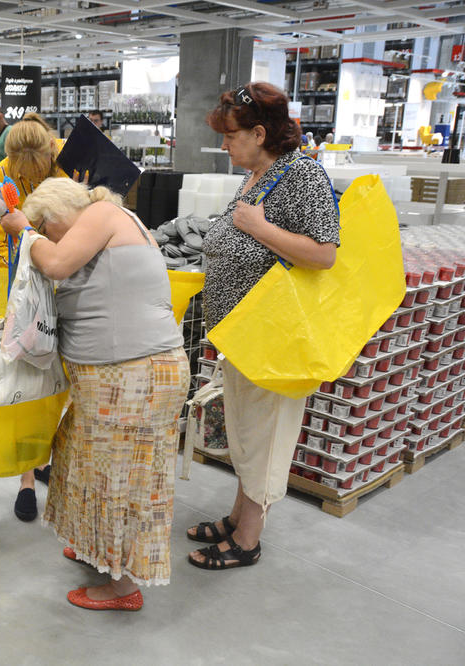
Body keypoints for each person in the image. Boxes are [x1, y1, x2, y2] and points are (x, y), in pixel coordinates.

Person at [0, 177, 189, 611]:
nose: (46, 238)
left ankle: (122, 587)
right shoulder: (104, 223)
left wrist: (25, 236)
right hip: (117, 381)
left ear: (54, 216)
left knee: (118, 481)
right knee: (87, 467)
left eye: (46, 229)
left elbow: (57, 264)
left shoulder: (102, 214)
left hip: (133, 379)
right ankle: (101, 552)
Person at [187, 82, 339, 570]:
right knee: (246, 431)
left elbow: (323, 254)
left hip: (275, 334)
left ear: (259, 132)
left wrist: (258, 228)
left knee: (267, 433)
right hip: (241, 333)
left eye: (231, 136)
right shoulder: (257, 173)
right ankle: (237, 517)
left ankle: (248, 540)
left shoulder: (304, 176)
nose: (225, 145)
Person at [0, 114, 66, 522]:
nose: (28, 174)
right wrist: (13, 293)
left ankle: (45, 453)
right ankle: (26, 478)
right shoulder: (0, 175)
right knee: (21, 371)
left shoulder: (66, 164)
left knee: (55, 368)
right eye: (22, 169)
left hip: (59, 270)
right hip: (14, 275)